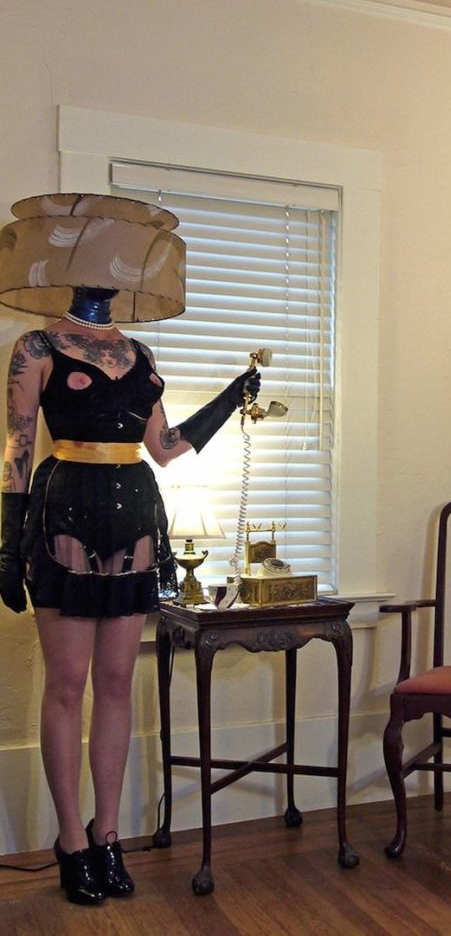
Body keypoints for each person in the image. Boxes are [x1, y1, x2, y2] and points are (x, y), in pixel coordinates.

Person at [0, 285, 258, 905]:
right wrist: (8, 546)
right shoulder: (36, 346)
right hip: (64, 512)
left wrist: (230, 398)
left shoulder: (140, 353)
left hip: (136, 515)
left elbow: (164, 450)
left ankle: (107, 835)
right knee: (67, 687)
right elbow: (18, 448)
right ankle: (71, 840)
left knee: (116, 685)